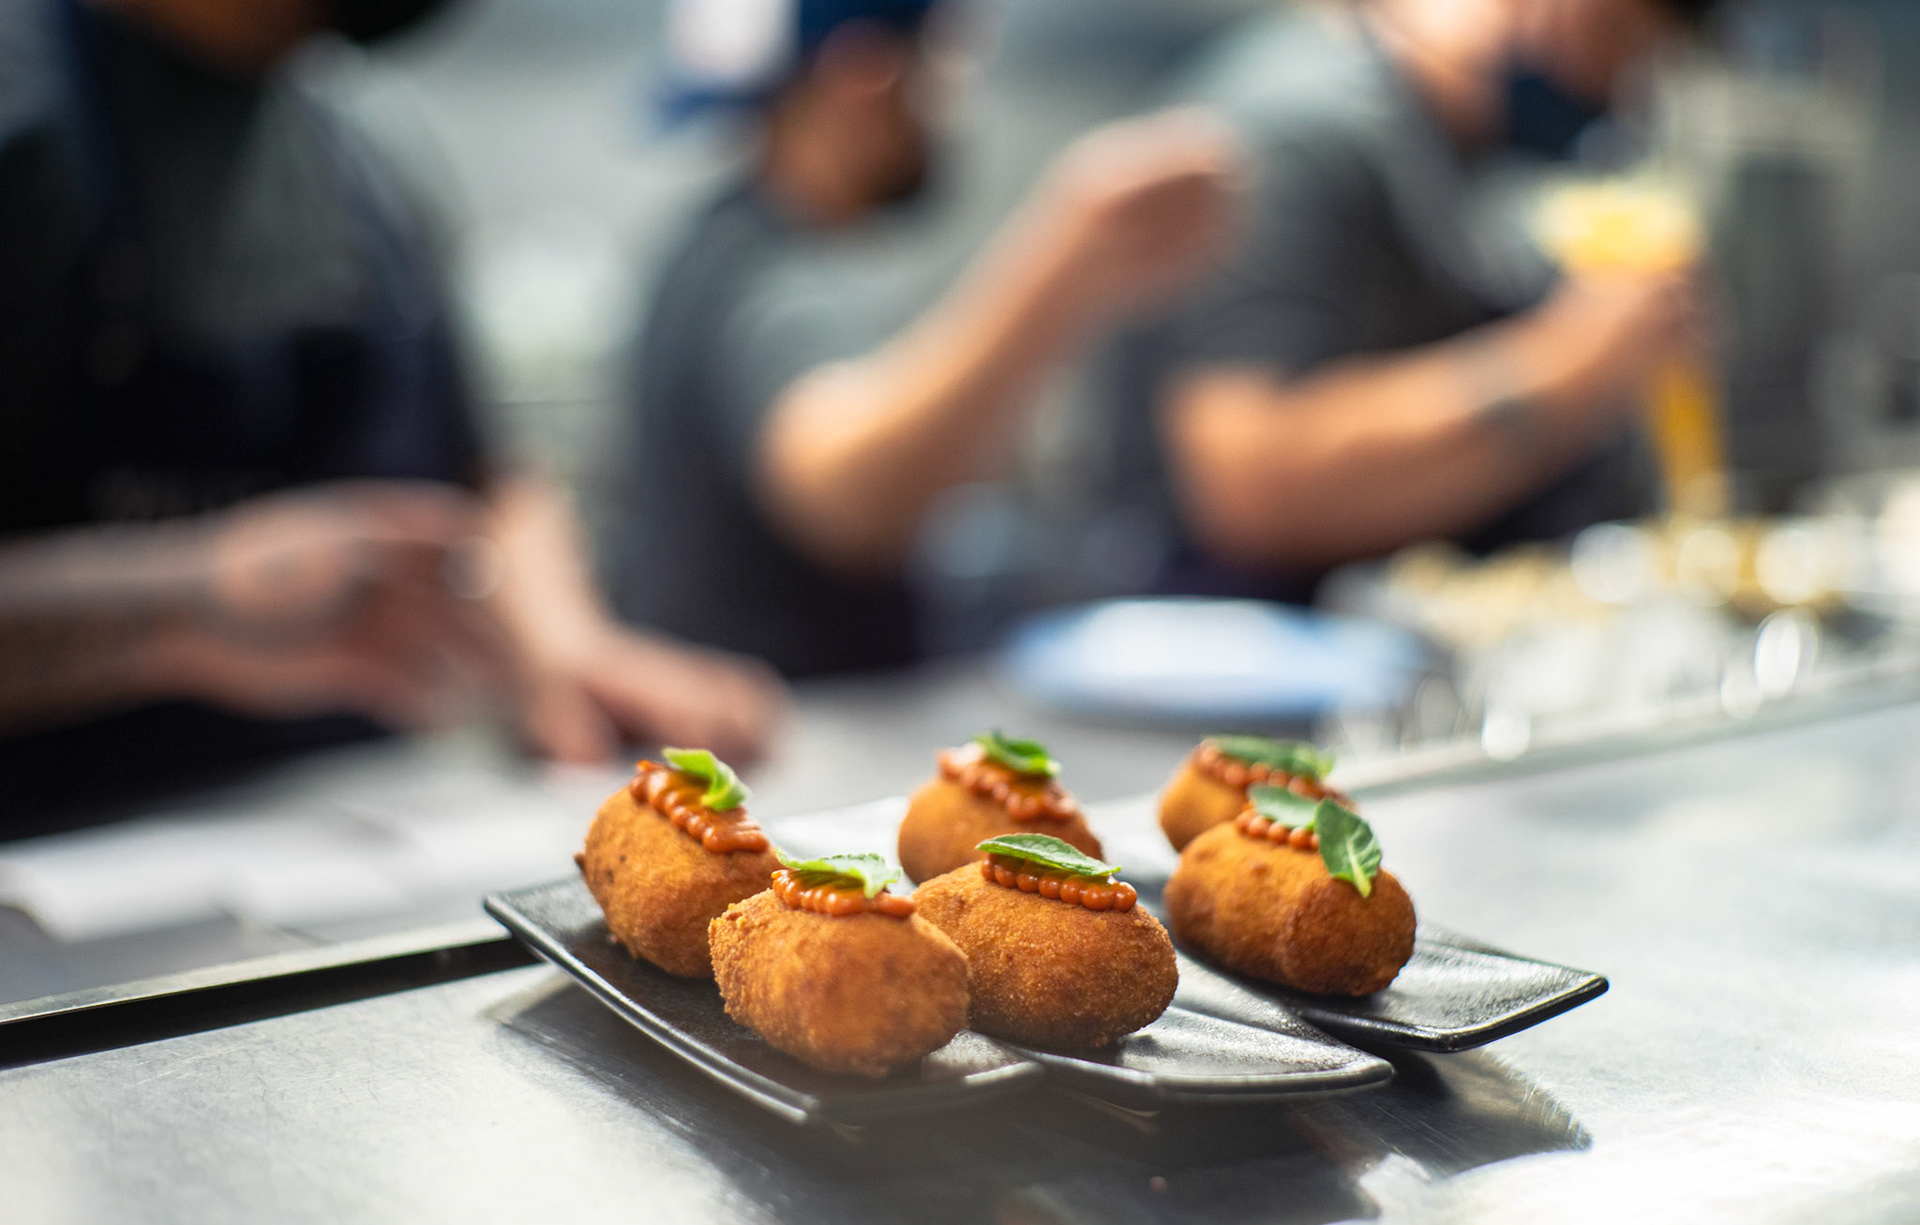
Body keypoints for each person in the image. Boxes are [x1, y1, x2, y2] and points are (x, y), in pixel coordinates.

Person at [0, 0, 783, 827]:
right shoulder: (28, 110)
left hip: (331, 825)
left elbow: (482, 472)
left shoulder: (362, 140)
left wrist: (566, 642)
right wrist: (191, 600)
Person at [611, 0, 1241, 677]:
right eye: (941, 62)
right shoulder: (768, 284)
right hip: (793, 742)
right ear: (865, 76)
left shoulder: (714, 248)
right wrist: (1066, 260)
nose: (951, 101)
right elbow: (850, 493)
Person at [1096, 0, 1719, 601]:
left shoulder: (1454, 129)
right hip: (1224, 642)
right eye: (1612, 34)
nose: (1610, 83)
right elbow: (1249, 488)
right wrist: (1568, 366)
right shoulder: (1303, 124)